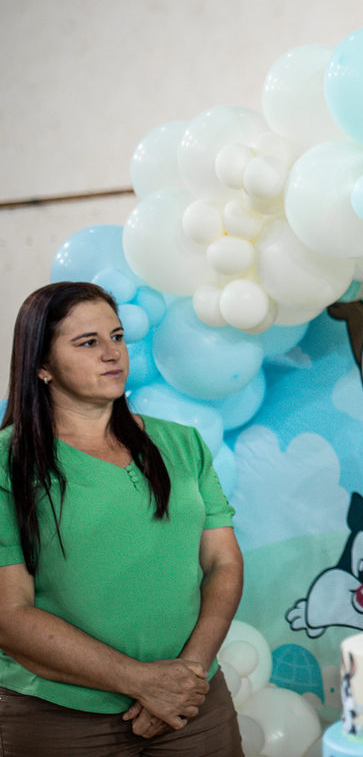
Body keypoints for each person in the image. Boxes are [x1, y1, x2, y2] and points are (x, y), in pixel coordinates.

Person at [0, 282, 245, 756]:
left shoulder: (183, 443)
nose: (112, 353)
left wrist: (189, 674)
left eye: (116, 337)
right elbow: (9, 616)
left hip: (193, 701)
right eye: (87, 342)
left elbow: (224, 563)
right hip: (61, 715)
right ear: (42, 365)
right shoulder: (8, 462)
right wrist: (142, 682)